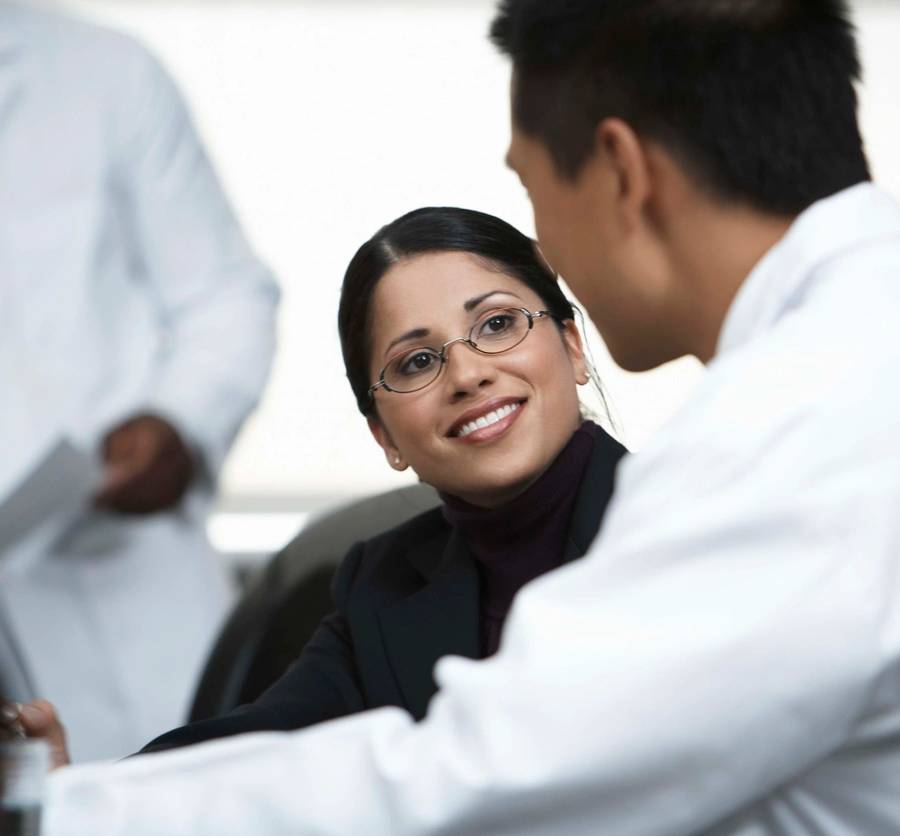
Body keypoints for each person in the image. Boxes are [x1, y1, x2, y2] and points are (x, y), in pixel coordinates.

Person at [36, 0, 900, 833]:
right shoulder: (849, 356)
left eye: (531, 186)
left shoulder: (783, 440)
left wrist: (61, 810)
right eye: (416, 361)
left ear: (621, 173)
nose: (470, 373)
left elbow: (493, 776)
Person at [5, 207, 626, 764]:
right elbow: (254, 747)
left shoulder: (667, 526)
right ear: (385, 436)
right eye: (416, 362)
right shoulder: (383, 582)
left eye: (497, 324)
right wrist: (76, 795)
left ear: (573, 346)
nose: (466, 374)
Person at [0, 2, 279, 762]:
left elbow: (225, 299)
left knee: (196, 788)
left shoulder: (105, 74)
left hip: (123, 578)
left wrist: (177, 424)